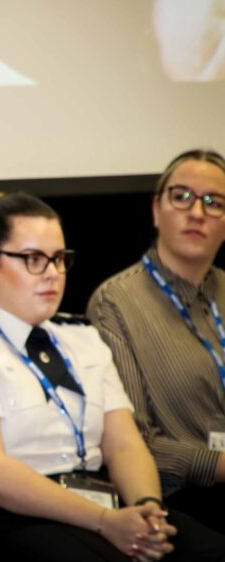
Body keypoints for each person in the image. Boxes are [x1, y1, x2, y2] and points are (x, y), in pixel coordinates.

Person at [0, 188, 225, 562]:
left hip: (102, 500)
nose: (53, 274)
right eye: (33, 259)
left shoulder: (81, 336)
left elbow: (124, 443)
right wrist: (106, 521)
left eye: (60, 259)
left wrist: (147, 510)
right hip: (12, 512)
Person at [88, 149, 225, 531]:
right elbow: (134, 440)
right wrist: (218, 465)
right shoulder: (114, 303)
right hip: (180, 499)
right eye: (182, 197)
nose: (197, 212)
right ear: (155, 210)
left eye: (215, 203)